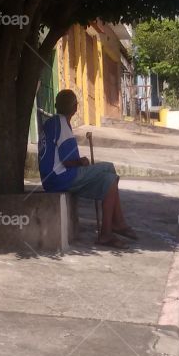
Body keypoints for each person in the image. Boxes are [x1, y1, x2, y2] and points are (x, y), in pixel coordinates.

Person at [38, 89, 136, 247]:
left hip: (52, 178)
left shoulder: (52, 122)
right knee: (109, 169)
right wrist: (82, 161)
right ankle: (112, 228)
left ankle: (113, 227)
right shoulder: (62, 123)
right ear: (75, 108)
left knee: (110, 179)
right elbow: (68, 161)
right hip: (61, 177)